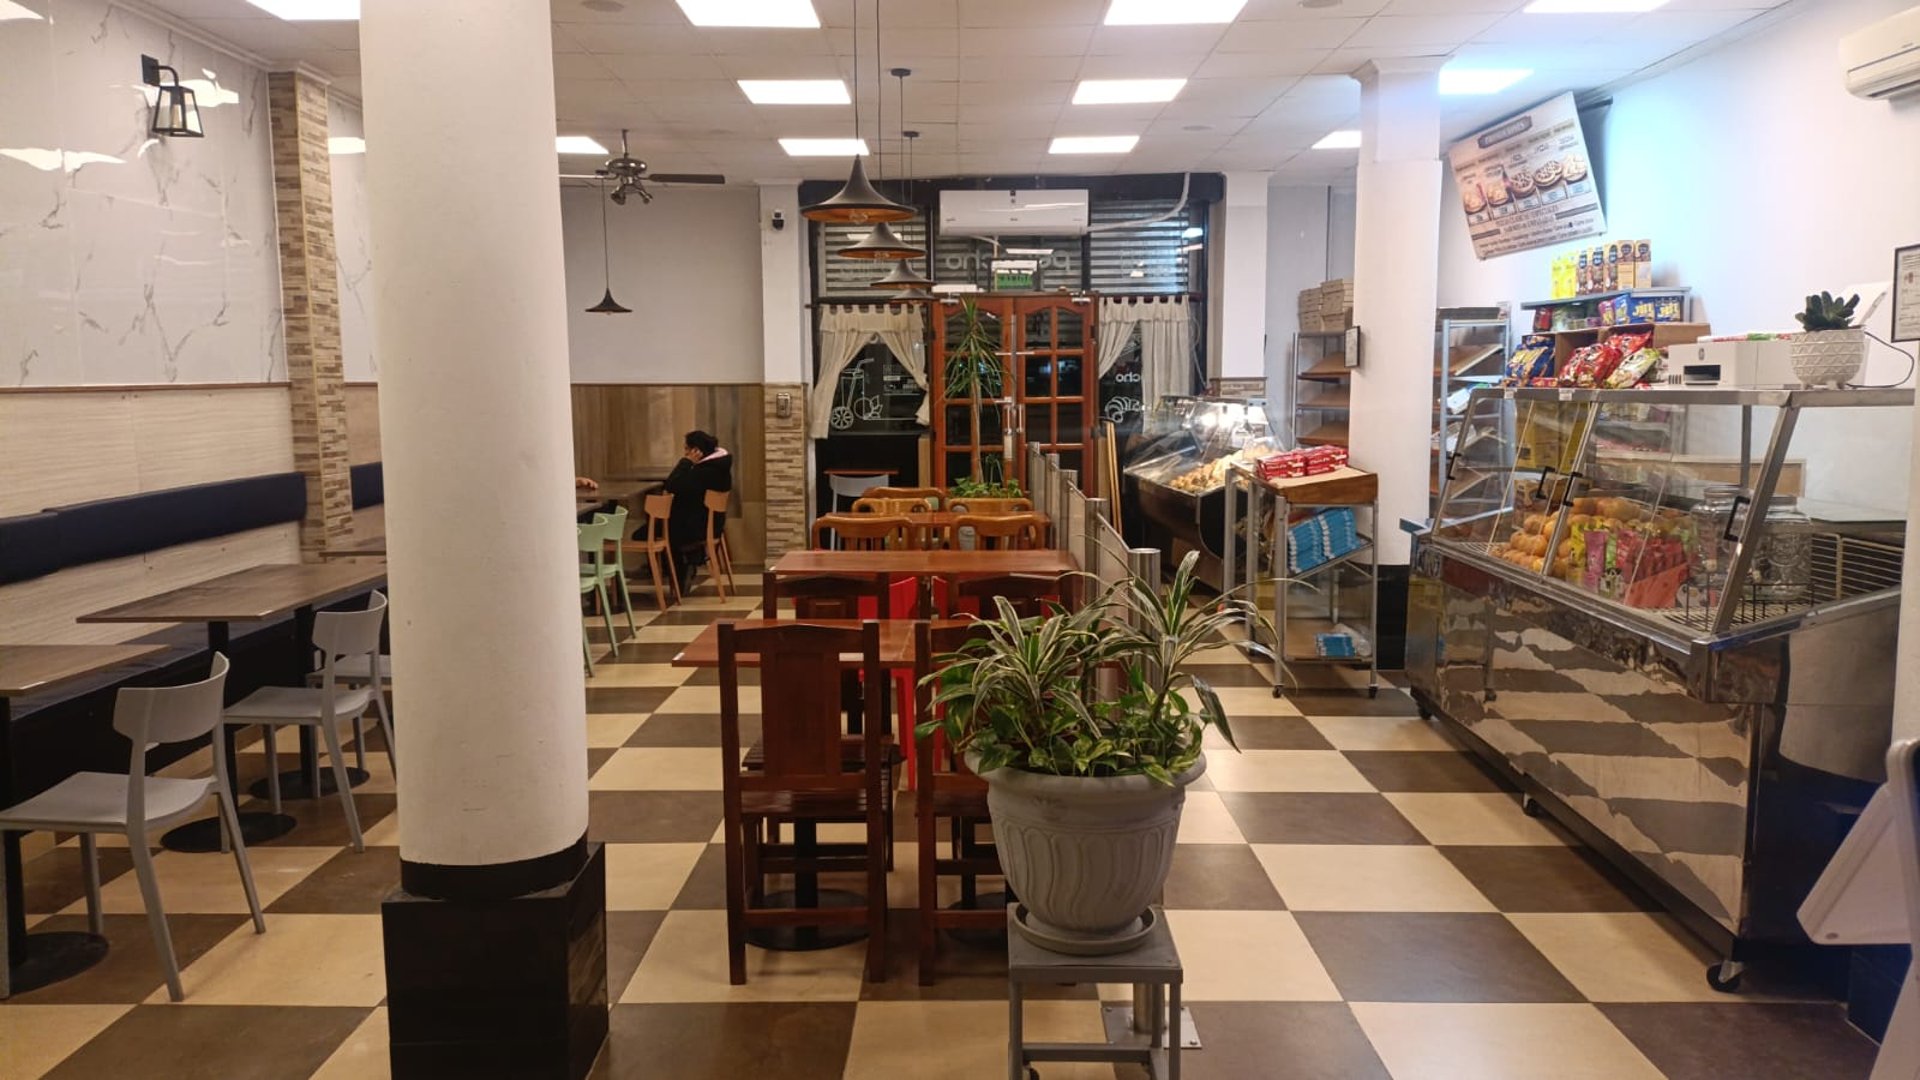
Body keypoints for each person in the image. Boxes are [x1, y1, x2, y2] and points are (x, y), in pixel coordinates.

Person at [662, 430, 731, 593]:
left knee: (657, 533)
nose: (685, 453)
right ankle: (691, 559)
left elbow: (672, 485)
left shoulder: (704, 471)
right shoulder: (719, 466)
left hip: (697, 527)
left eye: (687, 449)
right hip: (712, 525)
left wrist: (685, 462)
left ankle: (680, 574)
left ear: (696, 451)